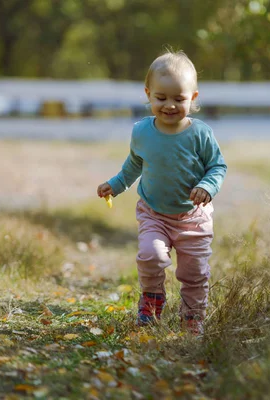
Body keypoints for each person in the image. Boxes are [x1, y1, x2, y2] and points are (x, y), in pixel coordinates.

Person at [96, 50, 227, 335]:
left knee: (193, 273)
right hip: (154, 212)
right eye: (161, 97)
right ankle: (152, 303)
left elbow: (217, 166)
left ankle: (193, 318)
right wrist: (115, 185)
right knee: (150, 255)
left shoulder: (200, 134)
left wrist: (207, 185)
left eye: (179, 99)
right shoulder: (142, 132)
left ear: (192, 98)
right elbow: (133, 166)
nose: (169, 105)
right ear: (148, 94)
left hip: (194, 218)